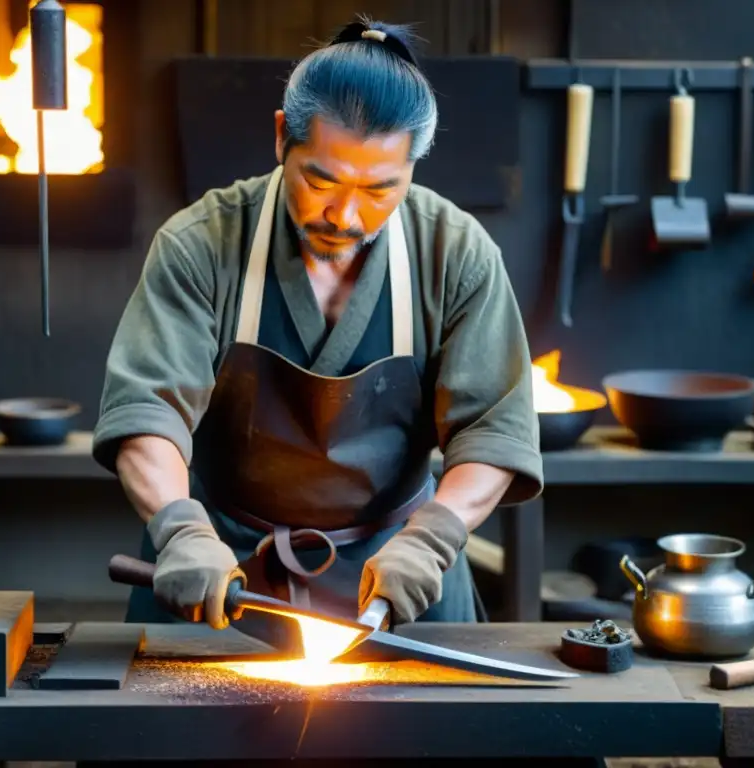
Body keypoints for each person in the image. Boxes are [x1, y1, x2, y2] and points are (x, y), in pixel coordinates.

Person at [92, 17, 543, 633]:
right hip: (223, 574)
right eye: (321, 179)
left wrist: (433, 539)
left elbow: (494, 434)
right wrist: (179, 528)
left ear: (412, 166)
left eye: (381, 189)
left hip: (401, 577)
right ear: (283, 137)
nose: (347, 215)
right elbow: (147, 412)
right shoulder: (204, 243)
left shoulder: (455, 253)